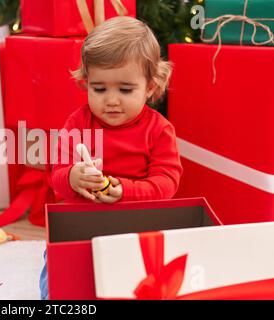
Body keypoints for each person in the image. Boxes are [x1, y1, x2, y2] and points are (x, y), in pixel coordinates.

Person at [40, 16, 183, 300]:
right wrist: (72, 176)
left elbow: (167, 183)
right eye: (100, 89)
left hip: (138, 226)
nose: (112, 100)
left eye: (125, 90)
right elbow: (57, 175)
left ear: (151, 87)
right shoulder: (77, 123)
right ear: (86, 83)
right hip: (82, 225)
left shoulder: (159, 130)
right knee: (60, 279)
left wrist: (125, 191)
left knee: (144, 281)